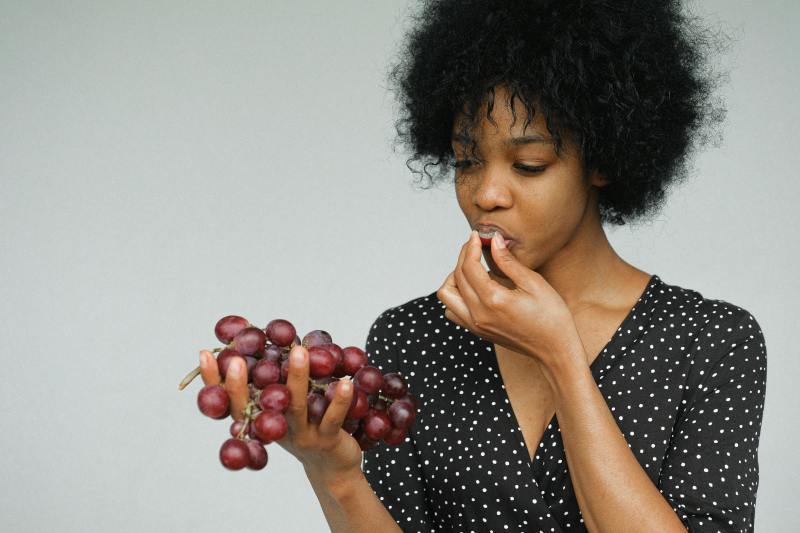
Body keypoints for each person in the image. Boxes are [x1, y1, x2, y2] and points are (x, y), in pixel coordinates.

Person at [199, 1, 767, 531]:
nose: (486, 194)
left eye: (529, 164)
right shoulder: (413, 337)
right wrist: (335, 473)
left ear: (603, 159)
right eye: (467, 160)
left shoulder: (710, 339)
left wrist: (560, 358)